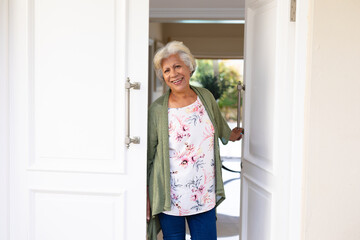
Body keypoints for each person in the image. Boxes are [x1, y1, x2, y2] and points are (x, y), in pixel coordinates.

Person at [147, 41, 243, 240]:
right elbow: (148, 154)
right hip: (170, 196)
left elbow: (218, 124)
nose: (173, 74)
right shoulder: (157, 110)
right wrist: (146, 193)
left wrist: (232, 135)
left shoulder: (205, 97)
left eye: (177, 66)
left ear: (189, 66)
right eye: (166, 70)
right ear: (163, 77)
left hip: (204, 193)